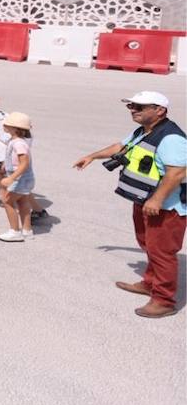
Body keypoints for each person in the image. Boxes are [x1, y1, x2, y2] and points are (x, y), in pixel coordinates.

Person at [74, 91, 186, 318]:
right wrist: (92, 156)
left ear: (159, 110)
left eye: (139, 107)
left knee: (162, 252)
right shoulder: (143, 131)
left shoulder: (171, 138)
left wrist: (157, 199)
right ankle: (150, 283)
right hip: (145, 200)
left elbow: (177, 173)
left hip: (166, 207)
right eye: (131, 106)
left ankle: (164, 300)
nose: (133, 110)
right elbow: (120, 147)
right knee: (147, 244)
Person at [0, 112, 36, 242]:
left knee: (7, 201)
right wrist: (5, 166)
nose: (4, 125)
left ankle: (14, 231)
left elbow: (24, 163)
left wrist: (11, 178)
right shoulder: (16, 141)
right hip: (24, 178)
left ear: (16, 128)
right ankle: (27, 230)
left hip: (20, 179)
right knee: (22, 201)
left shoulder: (19, 143)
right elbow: (15, 160)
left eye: (7, 124)